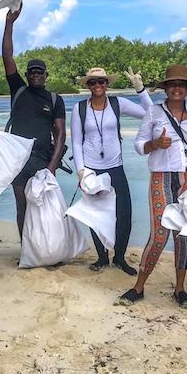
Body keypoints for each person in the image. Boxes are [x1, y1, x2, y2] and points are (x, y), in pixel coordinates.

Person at [116, 65, 187, 310]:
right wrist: (155, 143)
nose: (176, 88)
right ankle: (139, 286)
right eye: (172, 84)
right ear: (166, 88)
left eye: (181, 84)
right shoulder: (154, 112)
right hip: (161, 176)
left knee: (183, 235)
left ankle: (180, 289)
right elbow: (139, 145)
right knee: (159, 235)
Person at [71, 66, 153, 275]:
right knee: (95, 214)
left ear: (108, 84)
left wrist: (140, 89)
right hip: (91, 169)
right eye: (92, 82)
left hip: (115, 167)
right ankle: (101, 257)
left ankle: (119, 257)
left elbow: (150, 115)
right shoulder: (79, 109)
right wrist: (81, 171)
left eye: (101, 82)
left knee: (123, 214)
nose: (97, 85)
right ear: (87, 86)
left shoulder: (118, 104)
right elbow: (77, 142)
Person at [1, 4, 66, 239]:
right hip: (18, 160)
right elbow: (7, 56)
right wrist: (9, 23)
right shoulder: (18, 90)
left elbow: (60, 135)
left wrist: (52, 166)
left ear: (46, 76)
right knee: (23, 206)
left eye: (41, 72)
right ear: (27, 76)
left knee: (44, 207)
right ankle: (27, 248)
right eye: (32, 72)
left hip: (43, 159)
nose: (36, 75)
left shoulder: (55, 100)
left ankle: (45, 248)